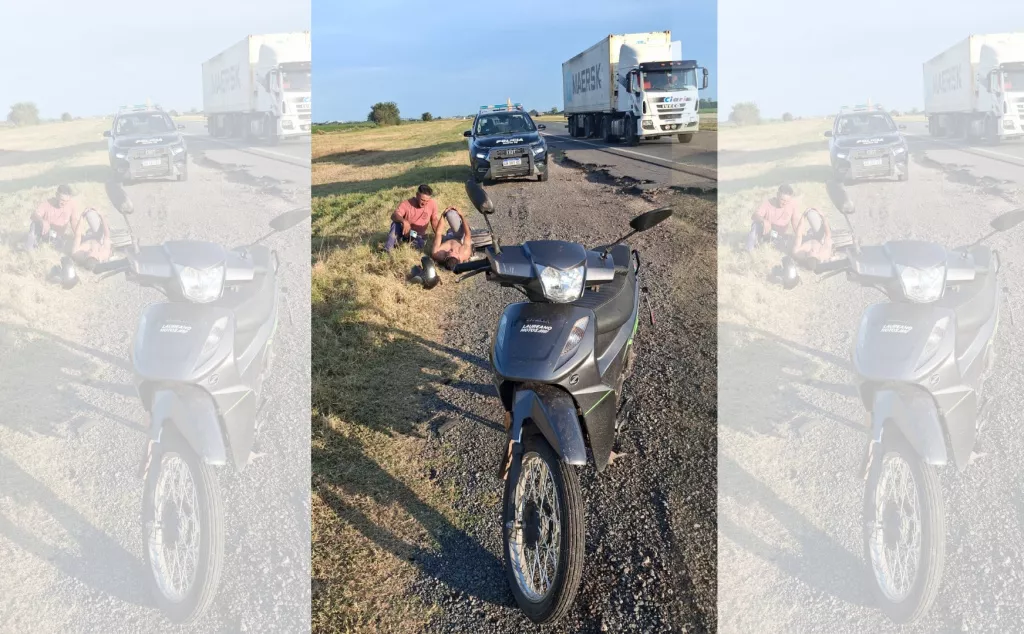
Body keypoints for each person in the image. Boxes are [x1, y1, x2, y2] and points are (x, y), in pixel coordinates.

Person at [24, 184, 81, 251]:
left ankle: (47, 245)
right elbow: (33, 215)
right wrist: (42, 221)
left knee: (61, 246)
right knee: (34, 224)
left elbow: (73, 221)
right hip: (45, 232)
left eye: (66, 201)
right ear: (56, 195)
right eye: (62, 200)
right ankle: (29, 250)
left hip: (56, 235)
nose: (64, 203)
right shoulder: (47, 203)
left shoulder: (71, 204)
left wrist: (78, 236)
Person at [385, 184, 441, 253]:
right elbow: (394, 215)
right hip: (404, 231)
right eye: (422, 200)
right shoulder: (406, 204)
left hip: (415, 234)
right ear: (417, 195)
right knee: (395, 223)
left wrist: (439, 236)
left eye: (427, 201)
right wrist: (404, 221)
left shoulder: (432, 204)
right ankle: (388, 249)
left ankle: (402, 244)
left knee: (421, 244)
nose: (424, 203)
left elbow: (434, 220)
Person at [746, 184, 800, 252]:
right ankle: (749, 250)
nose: (785, 203)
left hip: (778, 235)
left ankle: (765, 244)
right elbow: (754, 216)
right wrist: (764, 220)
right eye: (782, 200)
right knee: (756, 225)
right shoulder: (768, 203)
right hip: (767, 231)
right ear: (777, 195)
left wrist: (800, 236)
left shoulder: (792, 205)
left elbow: (795, 222)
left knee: (786, 245)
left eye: (787, 201)